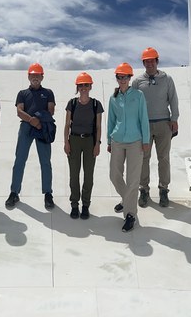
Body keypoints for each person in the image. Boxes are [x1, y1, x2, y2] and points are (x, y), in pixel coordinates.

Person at [131, 47, 179, 208]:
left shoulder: (167, 79)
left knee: (163, 158)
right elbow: (133, 105)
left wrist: (174, 119)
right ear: (143, 63)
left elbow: (173, 99)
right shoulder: (137, 82)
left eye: (152, 60)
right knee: (144, 158)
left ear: (157, 61)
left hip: (164, 124)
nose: (150, 63)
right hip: (144, 126)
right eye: (147, 61)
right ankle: (143, 189)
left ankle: (163, 189)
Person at [5, 63, 56, 210]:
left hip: (43, 126)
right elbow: (19, 111)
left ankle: (48, 193)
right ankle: (14, 192)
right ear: (28, 76)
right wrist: (32, 120)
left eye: (38, 75)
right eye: (33, 75)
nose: (35, 77)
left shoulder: (48, 92)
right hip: (27, 126)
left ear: (42, 77)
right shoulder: (22, 93)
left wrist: (38, 120)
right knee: (20, 160)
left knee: (45, 161)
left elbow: (51, 110)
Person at [107, 63, 150, 232]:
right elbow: (110, 120)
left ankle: (130, 213)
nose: (122, 80)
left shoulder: (138, 96)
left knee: (133, 179)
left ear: (130, 78)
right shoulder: (114, 97)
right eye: (119, 77)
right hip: (117, 140)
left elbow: (143, 119)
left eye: (125, 77)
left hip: (135, 141)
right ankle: (127, 199)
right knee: (114, 175)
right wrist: (109, 141)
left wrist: (145, 140)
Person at [63, 72, 103, 220]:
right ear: (77, 87)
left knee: (88, 175)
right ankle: (74, 204)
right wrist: (66, 142)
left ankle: (86, 205)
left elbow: (98, 126)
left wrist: (97, 144)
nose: (84, 88)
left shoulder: (95, 104)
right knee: (74, 175)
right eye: (81, 85)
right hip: (74, 140)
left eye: (86, 85)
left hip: (89, 141)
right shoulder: (72, 103)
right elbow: (67, 125)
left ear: (90, 86)